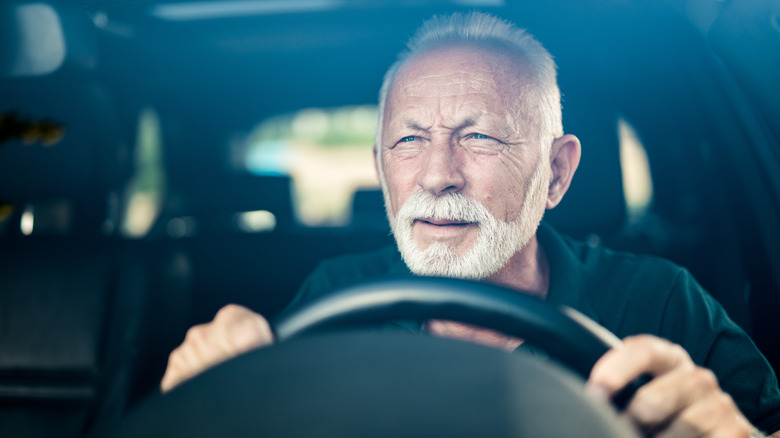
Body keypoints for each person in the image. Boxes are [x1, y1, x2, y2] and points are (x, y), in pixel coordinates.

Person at [160, 11, 780, 437]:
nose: (436, 175)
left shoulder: (660, 300)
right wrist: (196, 405)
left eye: (477, 136)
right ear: (381, 168)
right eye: (408, 140)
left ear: (557, 174)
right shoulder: (333, 298)